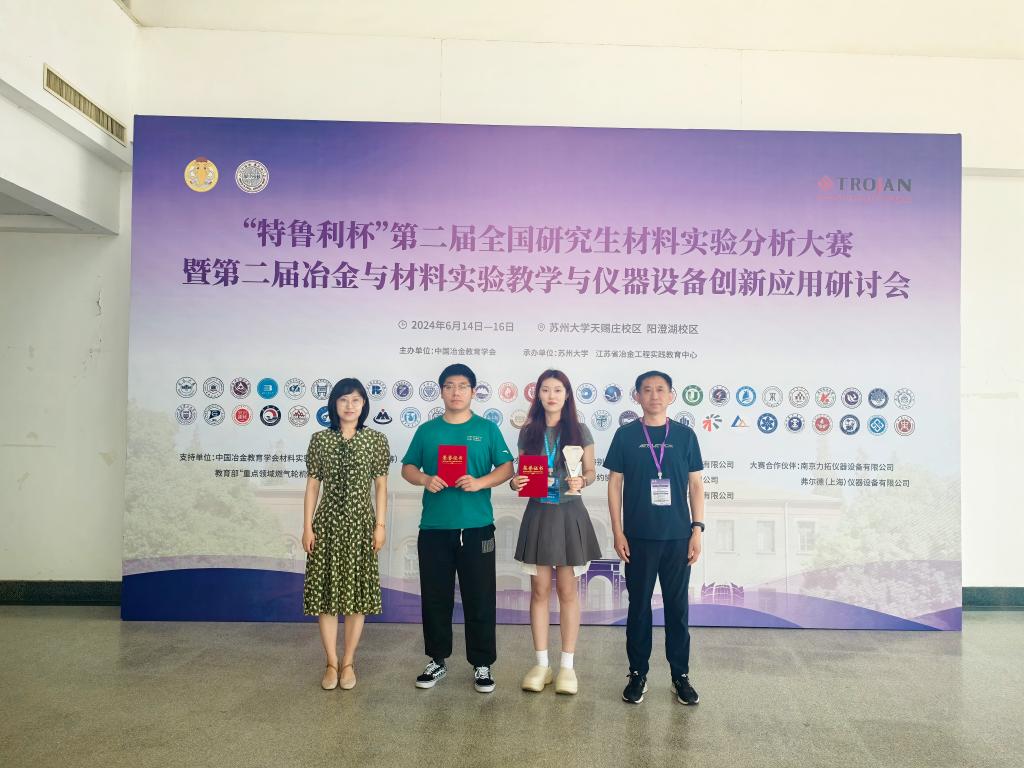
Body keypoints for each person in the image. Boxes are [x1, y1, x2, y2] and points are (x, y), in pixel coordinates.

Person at [401, 363, 515, 693]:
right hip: (434, 528)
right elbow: (408, 467)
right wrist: (425, 479)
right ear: (441, 391)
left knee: (480, 597)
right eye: (449, 386)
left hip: (477, 528)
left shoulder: (487, 429)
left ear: (473, 392)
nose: (456, 392)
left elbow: (507, 467)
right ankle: (437, 659)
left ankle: (482, 663)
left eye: (463, 386)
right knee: (435, 597)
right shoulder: (427, 431)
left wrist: (480, 482)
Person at [604, 370, 706, 705]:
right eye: (646, 390)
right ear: (637, 396)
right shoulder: (625, 435)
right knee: (638, 609)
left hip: (678, 537)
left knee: (677, 609)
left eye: (661, 389)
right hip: (638, 538)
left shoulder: (686, 436)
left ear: (671, 395)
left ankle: (680, 676)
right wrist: (618, 530)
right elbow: (614, 484)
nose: (654, 395)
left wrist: (697, 529)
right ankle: (637, 673)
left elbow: (696, 485)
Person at [511, 370, 602, 695]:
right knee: (538, 591)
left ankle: (567, 667)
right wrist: (516, 482)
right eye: (546, 390)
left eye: (558, 390)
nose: (551, 395)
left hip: (568, 514)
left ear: (567, 395)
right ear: (538, 395)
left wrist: (583, 480)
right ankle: (541, 664)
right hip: (538, 513)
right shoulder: (529, 432)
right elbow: (521, 473)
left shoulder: (580, 430)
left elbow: (591, 471)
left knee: (567, 591)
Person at [302, 378, 390, 691]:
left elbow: (381, 486)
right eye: (343, 400)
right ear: (334, 404)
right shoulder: (320, 440)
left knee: (356, 598)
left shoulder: (375, 440)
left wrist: (380, 526)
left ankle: (349, 661)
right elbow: (313, 486)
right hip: (326, 526)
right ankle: (331, 662)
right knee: (326, 596)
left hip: (361, 526)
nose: (349, 406)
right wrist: (307, 526)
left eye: (355, 400)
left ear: (364, 404)